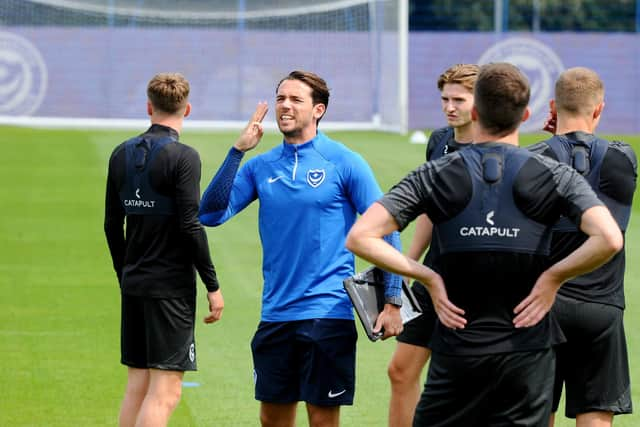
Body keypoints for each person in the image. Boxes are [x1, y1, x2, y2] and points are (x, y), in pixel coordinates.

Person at [345, 62, 624, 427]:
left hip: (457, 349)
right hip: (527, 352)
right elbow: (609, 238)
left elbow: (360, 236)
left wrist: (427, 276)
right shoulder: (555, 174)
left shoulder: (436, 172)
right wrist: (553, 277)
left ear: (475, 112)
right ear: (525, 115)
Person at [198, 70, 403, 427]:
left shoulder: (344, 162)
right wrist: (237, 151)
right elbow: (211, 213)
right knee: (272, 420)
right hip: (275, 314)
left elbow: (386, 228)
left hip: (328, 313)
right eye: (280, 99)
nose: (285, 106)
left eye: (295, 99)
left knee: (323, 421)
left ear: (318, 109)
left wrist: (393, 300)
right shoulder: (261, 166)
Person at [104, 72, 224, 427]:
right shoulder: (184, 157)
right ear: (186, 109)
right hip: (170, 289)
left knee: (137, 386)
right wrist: (212, 285)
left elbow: (112, 225)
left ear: (148, 107)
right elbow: (190, 225)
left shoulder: (120, 154)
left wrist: (124, 272)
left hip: (135, 284)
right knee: (166, 391)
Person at [528, 67, 637, 427]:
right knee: (595, 415)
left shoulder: (530, 160)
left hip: (541, 305)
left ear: (553, 107)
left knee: (535, 411)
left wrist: (549, 141)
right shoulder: (624, 158)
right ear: (599, 109)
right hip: (601, 308)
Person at [388, 63, 479, 427]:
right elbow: (429, 206)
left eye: (459, 99)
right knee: (400, 370)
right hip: (433, 272)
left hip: (474, 283)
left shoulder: (498, 146)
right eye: (445, 99)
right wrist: (405, 267)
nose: (450, 106)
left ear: (481, 101)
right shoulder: (439, 141)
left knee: (463, 382)